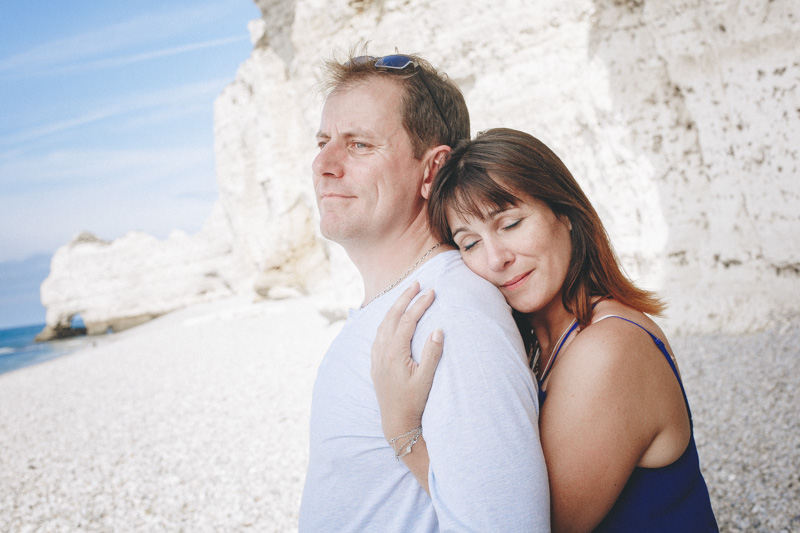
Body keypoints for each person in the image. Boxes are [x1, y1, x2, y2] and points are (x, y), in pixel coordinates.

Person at [372, 128, 719, 532]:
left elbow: (522, 523)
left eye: (511, 223)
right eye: (469, 244)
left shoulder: (608, 349)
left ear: (565, 215)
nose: (496, 258)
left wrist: (402, 430)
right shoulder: (546, 347)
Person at [298, 54, 550, 532]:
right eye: (323, 141)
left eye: (359, 145)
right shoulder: (412, 302)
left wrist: (404, 434)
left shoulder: (450, 314)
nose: (324, 165)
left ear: (432, 170)